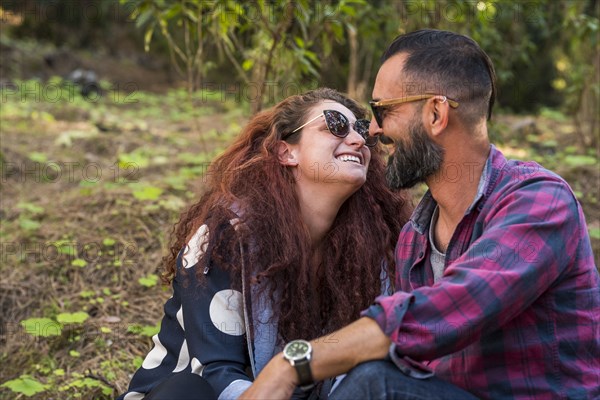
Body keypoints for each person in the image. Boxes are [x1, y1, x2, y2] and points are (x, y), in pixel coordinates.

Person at [240, 29, 600, 400]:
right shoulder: (414, 239)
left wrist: (292, 363)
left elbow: (451, 308)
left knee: (374, 383)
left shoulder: (539, 202)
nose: (373, 131)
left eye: (382, 111)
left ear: (436, 113)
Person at [117, 88, 411, 400]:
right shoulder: (226, 236)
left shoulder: (374, 245)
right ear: (287, 152)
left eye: (362, 129)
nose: (357, 140)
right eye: (335, 125)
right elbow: (215, 370)